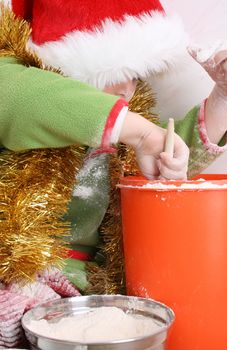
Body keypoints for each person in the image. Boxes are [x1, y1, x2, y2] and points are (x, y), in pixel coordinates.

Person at [0, 0, 227, 348]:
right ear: (69, 63)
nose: (127, 89)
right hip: (13, 266)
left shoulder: (127, 129)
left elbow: (168, 150)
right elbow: (17, 93)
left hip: (81, 286)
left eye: (135, 76)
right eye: (114, 71)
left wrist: (222, 97)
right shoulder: (20, 81)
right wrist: (138, 131)